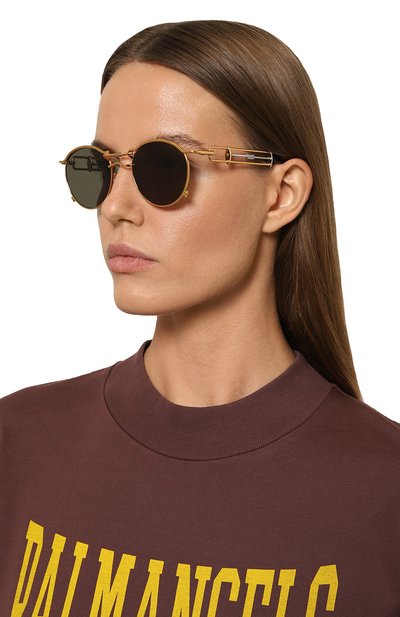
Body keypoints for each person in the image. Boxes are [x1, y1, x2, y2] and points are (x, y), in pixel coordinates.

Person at [1, 19, 399, 617]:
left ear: (281, 194)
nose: (116, 207)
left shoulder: (384, 493)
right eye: (99, 168)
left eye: (165, 167)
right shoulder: (18, 442)